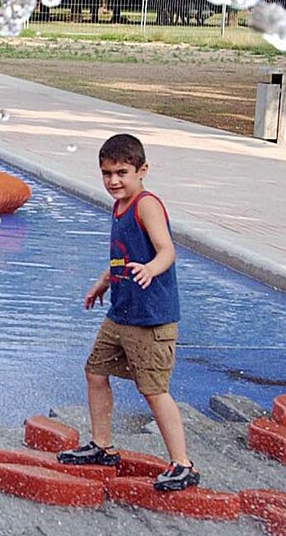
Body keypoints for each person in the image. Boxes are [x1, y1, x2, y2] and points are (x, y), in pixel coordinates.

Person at [57, 133, 198, 491]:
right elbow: (121, 255)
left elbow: (167, 250)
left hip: (150, 319)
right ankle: (102, 446)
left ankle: (183, 464)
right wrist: (102, 282)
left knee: (153, 390)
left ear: (142, 170)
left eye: (122, 172)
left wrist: (151, 268)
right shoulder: (119, 206)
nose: (113, 181)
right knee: (95, 372)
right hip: (121, 313)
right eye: (107, 173)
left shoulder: (145, 205)